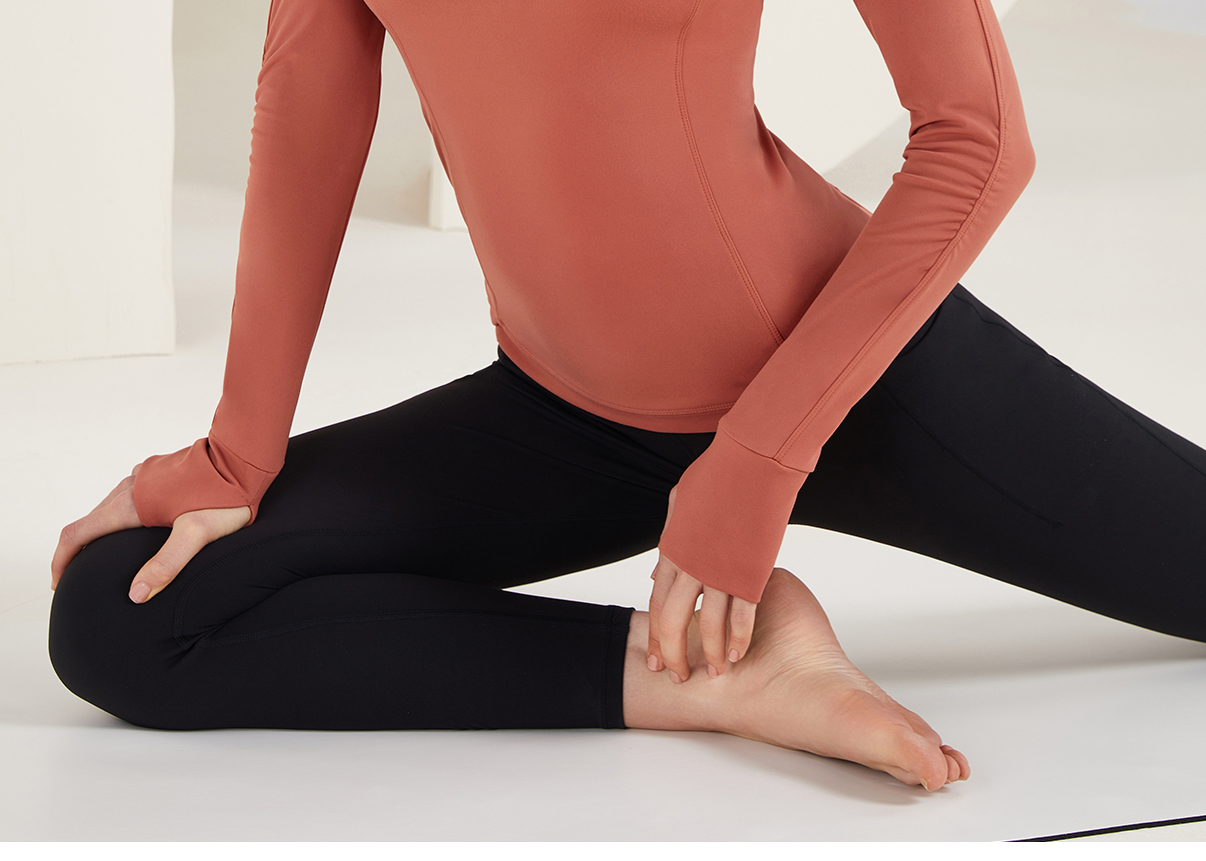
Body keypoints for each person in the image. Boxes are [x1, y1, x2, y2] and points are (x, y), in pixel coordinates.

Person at [45, 0, 1206, 794]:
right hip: (563, 418)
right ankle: (716, 682)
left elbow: (979, 138)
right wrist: (238, 452)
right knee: (126, 618)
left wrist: (756, 461)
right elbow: (309, 107)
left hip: (856, 378)